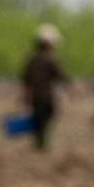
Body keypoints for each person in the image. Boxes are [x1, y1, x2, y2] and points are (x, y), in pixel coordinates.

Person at [19, 23, 71, 151]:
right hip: (46, 96)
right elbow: (61, 76)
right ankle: (41, 144)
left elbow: (25, 79)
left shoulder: (31, 59)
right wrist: (73, 88)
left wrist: (24, 94)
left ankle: (39, 142)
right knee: (46, 117)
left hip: (35, 95)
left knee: (38, 118)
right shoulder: (50, 60)